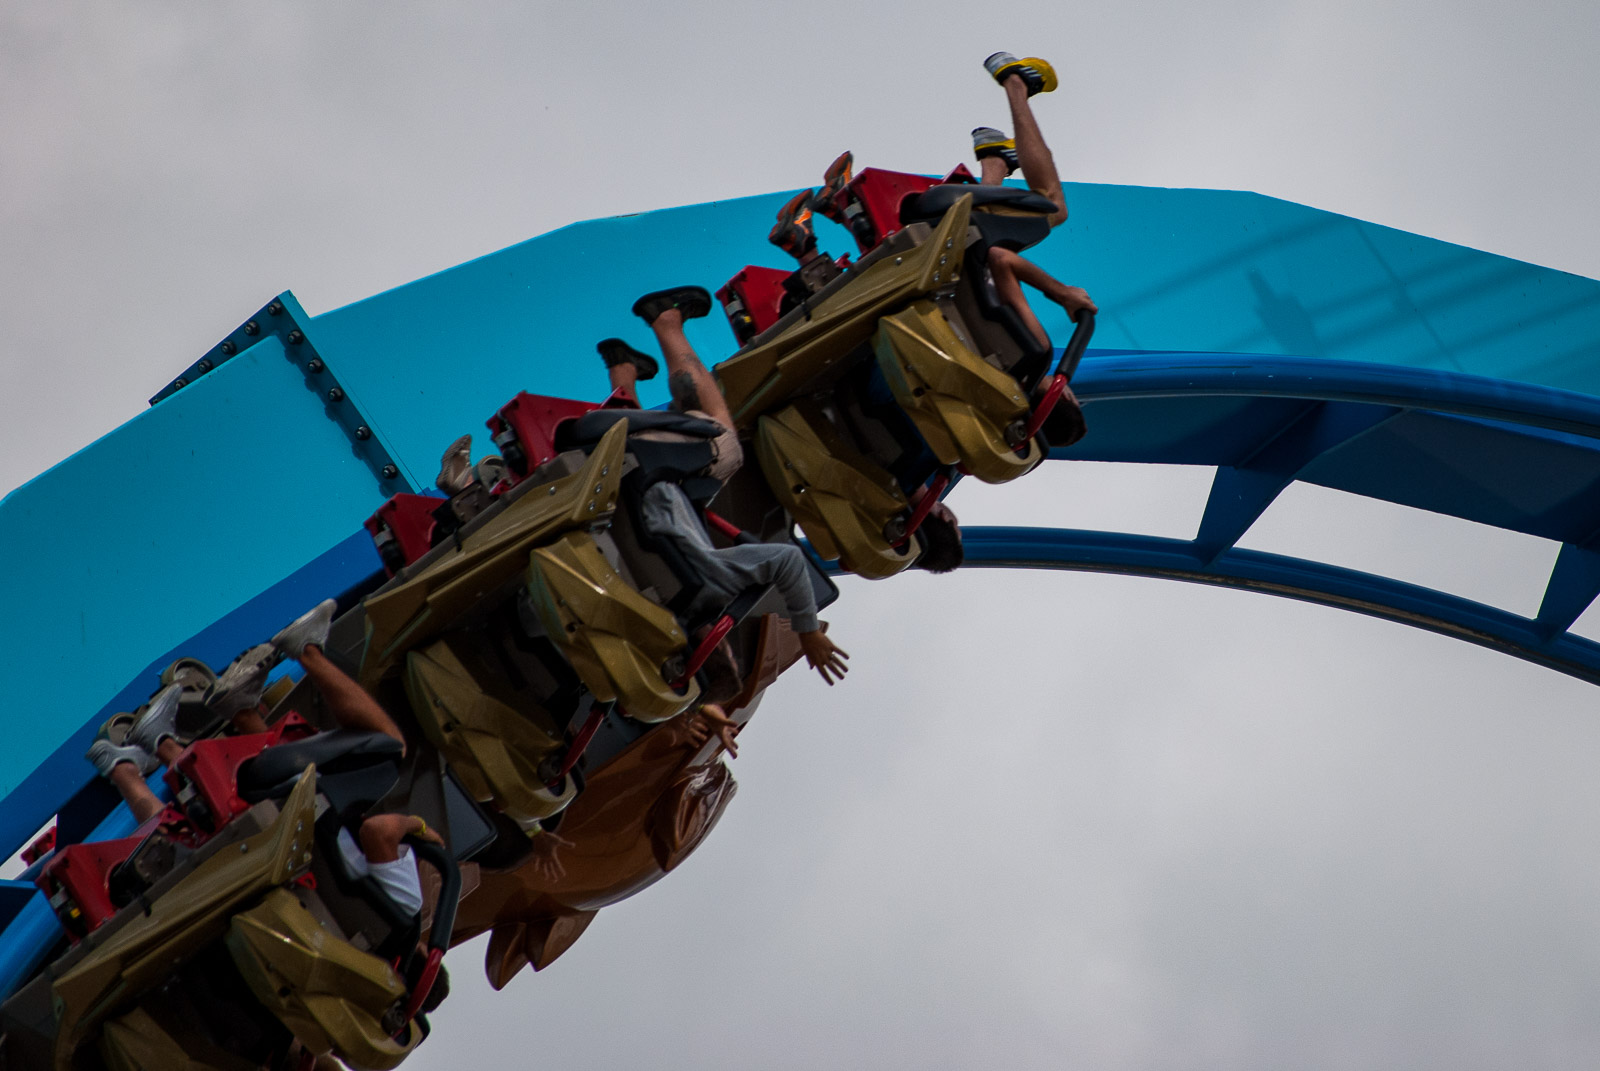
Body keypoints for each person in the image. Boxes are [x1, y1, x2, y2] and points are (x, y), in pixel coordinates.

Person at [86, 599, 445, 916]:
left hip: (290, 815)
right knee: (191, 839)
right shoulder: (353, 938)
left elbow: (377, 832)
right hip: (280, 842)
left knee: (390, 746)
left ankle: (305, 650)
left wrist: (419, 828)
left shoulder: (408, 912)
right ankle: (124, 765)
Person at [594, 286, 850, 686]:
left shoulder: (717, 586)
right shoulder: (639, 618)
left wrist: (808, 629)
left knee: (722, 441)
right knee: (693, 482)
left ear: (721, 645)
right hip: (612, 487)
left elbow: (788, 562)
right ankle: (623, 374)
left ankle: (666, 322)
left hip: (645, 468)